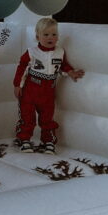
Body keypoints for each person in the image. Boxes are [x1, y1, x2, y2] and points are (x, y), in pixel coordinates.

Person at [13, 17, 84, 153]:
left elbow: (63, 66)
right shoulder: (31, 52)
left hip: (48, 92)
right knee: (27, 117)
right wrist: (17, 85)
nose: (50, 37)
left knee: (47, 118)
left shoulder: (60, 52)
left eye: (54, 34)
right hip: (30, 90)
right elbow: (21, 68)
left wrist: (71, 72)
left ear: (58, 37)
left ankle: (48, 141)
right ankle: (24, 139)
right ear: (37, 36)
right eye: (46, 35)